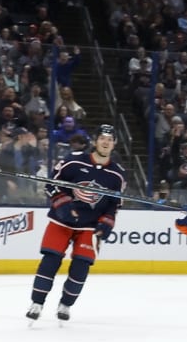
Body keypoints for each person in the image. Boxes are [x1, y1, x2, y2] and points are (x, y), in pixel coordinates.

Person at [28, 125, 123, 324]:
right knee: (50, 261)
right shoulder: (73, 161)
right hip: (61, 221)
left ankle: (65, 304)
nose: (106, 142)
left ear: (114, 144)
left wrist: (106, 223)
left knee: (81, 268)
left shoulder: (117, 175)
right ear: (95, 141)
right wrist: (62, 204)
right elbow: (51, 184)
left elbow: (114, 205)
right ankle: (37, 303)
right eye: (102, 138)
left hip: (89, 227)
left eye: (110, 139)